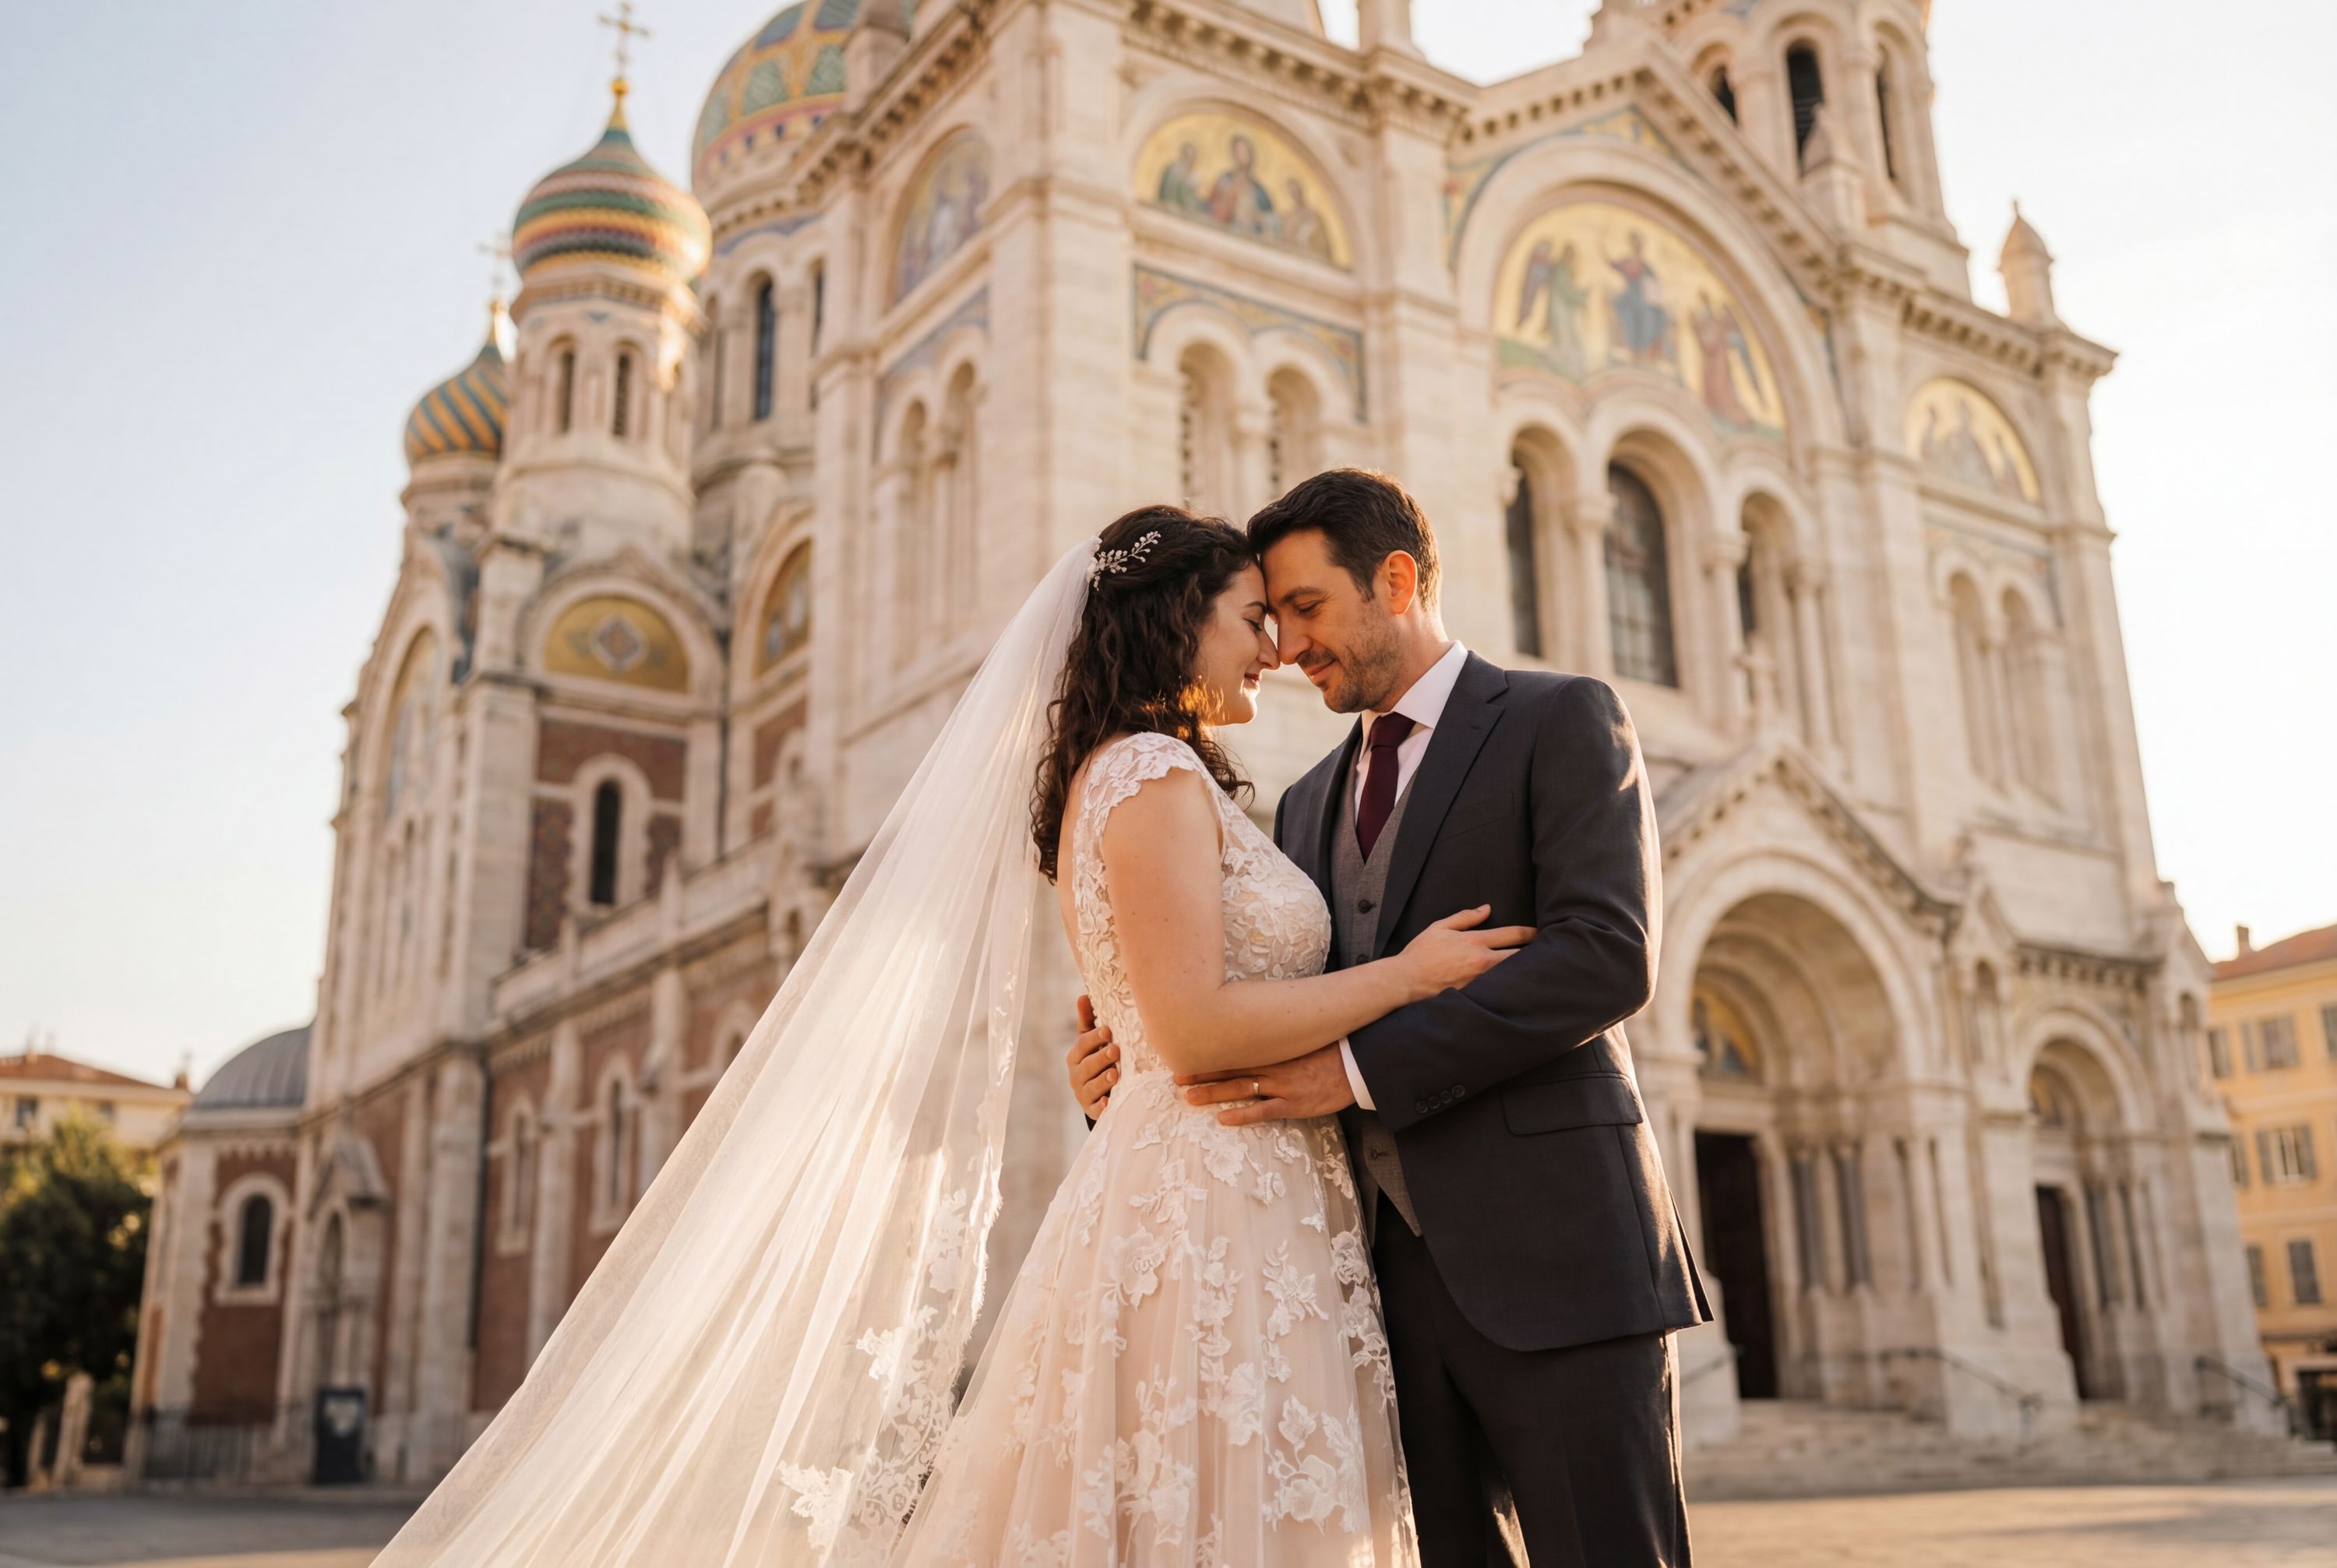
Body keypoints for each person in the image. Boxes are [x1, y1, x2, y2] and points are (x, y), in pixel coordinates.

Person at [375, 506, 1524, 1566]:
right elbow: (1191, 1027)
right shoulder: (1152, 770)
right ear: (1179, 621)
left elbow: (1152, 1019)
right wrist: (1403, 976)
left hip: (1222, 1180)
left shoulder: (1132, 774)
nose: (1271, 648)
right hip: (1220, 1191)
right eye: (1249, 619)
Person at [1070, 469, 1709, 1566]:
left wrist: (1357, 1072)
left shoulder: (1562, 717)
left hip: (1557, 1253)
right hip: (1361, 1287)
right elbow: (1244, 1003)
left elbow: (1607, 957)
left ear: (1397, 579)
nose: (1288, 646)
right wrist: (1129, 1073)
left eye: (1307, 609)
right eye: (1268, 617)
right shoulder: (1303, 801)